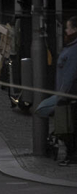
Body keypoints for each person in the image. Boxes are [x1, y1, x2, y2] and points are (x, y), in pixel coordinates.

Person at [37, 17, 77, 163]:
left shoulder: (73, 49)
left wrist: (61, 96)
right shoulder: (71, 46)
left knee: (67, 126)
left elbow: (70, 75)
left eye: (68, 28)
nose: (66, 31)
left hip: (67, 96)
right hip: (66, 95)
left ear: (75, 30)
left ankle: (71, 155)